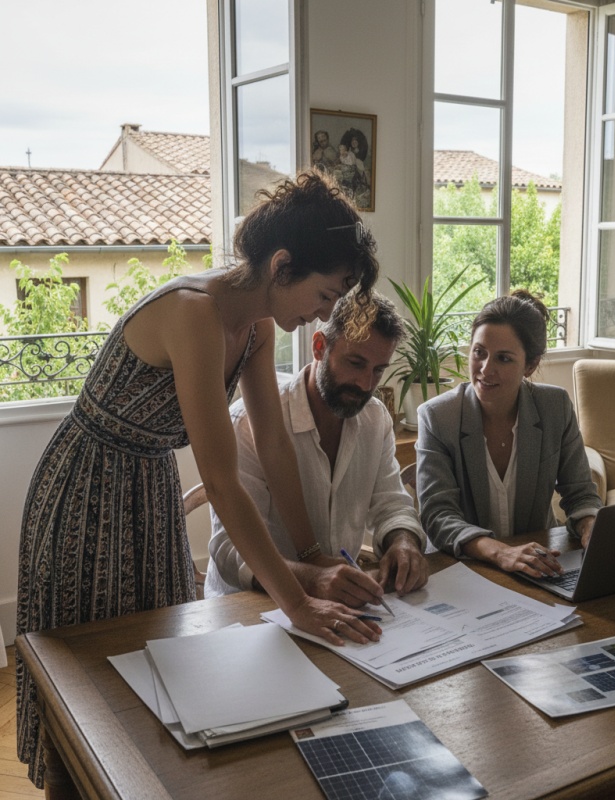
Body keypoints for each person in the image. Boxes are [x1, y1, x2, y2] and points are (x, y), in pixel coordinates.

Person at [16, 170, 381, 788]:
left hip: (149, 487)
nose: (324, 312)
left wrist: (315, 552)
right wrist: (297, 603)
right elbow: (220, 477)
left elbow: (272, 447)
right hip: (85, 489)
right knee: (81, 686)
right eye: (323, 294)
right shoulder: (194, 314)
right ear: (282, 265)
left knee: (155, 675)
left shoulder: (260, 328)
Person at [205, 291, 428, 604]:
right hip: (248, 608)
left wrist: (403, 541)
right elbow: (230, 550)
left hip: (339, 604)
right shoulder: (248, 424)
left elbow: (391, 503)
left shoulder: (375, 419)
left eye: (378, 370)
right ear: (320, 346)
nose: (365, 384)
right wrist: (312, 577)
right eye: (356, 363)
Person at [416, 290, 602, 579]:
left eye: (503, 358)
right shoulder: (438, 417)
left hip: (538, 565)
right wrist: (501, 553)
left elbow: (580, 493)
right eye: (479, 353)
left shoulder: (555, 407)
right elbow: (438, 516)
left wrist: (591, 528)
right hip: (464, 570)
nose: (485, 369)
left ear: (530, 365)